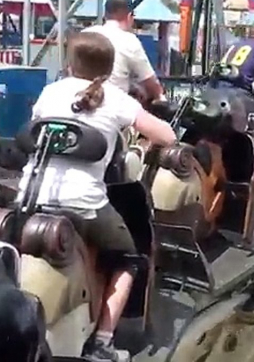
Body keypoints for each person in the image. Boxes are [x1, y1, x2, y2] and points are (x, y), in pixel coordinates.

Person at [22, 31, 176, 362]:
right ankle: (102, 343)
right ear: (107, 69)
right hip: (84, 203)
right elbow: (167, 135)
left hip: (31, 196)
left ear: (68, 63)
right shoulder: (116, 98)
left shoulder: (50, 92)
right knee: (129, 258)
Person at [83, 0, 165, 105]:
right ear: (129, 16)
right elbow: (150, 83)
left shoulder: (85, 34)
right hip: (113, 108)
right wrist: (160, 96)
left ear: (105, 15)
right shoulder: (129, 40)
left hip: (80, 103)